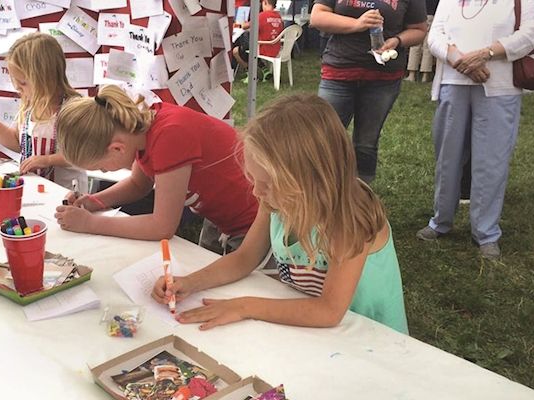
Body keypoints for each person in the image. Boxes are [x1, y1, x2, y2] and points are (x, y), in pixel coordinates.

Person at [151, 94, 408, 334]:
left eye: (268, 183)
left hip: (370, 338)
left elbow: (329, 311)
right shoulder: (277, 198)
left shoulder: (350, 217)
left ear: (311, 178)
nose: (256, 192)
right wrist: (189, 282)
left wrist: (244, 306)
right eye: (253, 179)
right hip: (314, 330)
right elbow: (244, 259)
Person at [53, 85, 259, 253]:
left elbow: (162, 226)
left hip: (256, 220)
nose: (105, 172)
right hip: (222, 219)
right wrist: (93, 202)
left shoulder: (169, 136)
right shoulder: (140, 131)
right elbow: (137, 185)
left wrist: (90, 224)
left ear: (117, 148)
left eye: (101, 167)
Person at [415, 0, 534, 260]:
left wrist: (484, 54)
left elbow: (530, 34)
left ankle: (486, 232)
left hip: (500, 88)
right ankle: (440, 220)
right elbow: (436, 34)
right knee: (447, 157)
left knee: (491, 160)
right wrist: (460, 60)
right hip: (453, 81)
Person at [310, 0, 427, 183]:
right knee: (324, 139)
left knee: (366, 143)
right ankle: (318, 195)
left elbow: (419, 30)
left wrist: (397, 40)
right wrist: (357, 24)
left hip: (383, 79)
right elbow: (317, 16)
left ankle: (360, 200)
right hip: (339, 72)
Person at [0, 33, 86, 191]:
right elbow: (16, 142)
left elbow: (83, 155)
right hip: (35, 191)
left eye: (23, 82)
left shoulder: (73, 109)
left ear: (45, 76)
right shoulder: (30, 106)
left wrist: (48, 160)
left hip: (66, 194)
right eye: (15, 82)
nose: (17, 88)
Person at [232, 0, 285, 71]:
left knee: (236, 50)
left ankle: (250, 72)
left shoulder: (262, 16)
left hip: (263, 48)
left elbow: (245, 26)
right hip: (276, 49)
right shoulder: (279, 17)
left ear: (265, 2)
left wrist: (242, 24)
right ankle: (263, 69)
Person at [406, 0, 439, 82]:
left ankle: (412, 74)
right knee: (427, 46)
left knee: (415, 45)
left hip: (418, 14)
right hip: (432, 15)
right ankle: (425, 75)